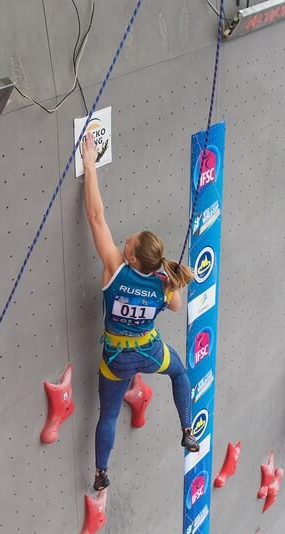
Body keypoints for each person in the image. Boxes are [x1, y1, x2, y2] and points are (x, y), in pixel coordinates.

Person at [82, 133, 198, 491]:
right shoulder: (163, 282)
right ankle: (186, 430)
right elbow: (178, 306)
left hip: (117, 359)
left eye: (129, 240)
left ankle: (102, 472)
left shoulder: (116, 267)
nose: (126, 237)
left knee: (110, 415)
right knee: (179, 374)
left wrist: (89, 165)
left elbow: (97, 217)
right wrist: (171, 282)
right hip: (149, 353)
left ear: (132, 257)